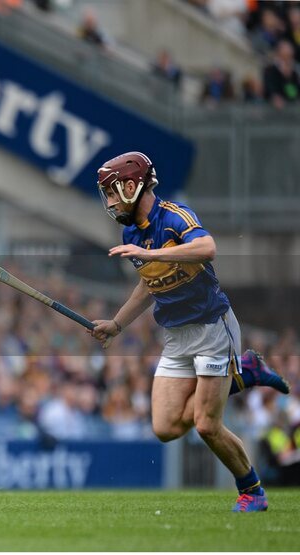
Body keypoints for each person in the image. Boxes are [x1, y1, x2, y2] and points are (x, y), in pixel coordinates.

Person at [88, 151, 291, 513]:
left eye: (113, 192)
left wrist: (150, 256)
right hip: (176, 338)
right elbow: (149, 285)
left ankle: (253, 491)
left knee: (206, 425)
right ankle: (245, 372)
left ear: (133, 186)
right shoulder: (132, 231)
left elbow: (208, 248)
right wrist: (117, 324)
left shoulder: (174, 216)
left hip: (212, 328)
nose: (111, 201)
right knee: (165, 428)